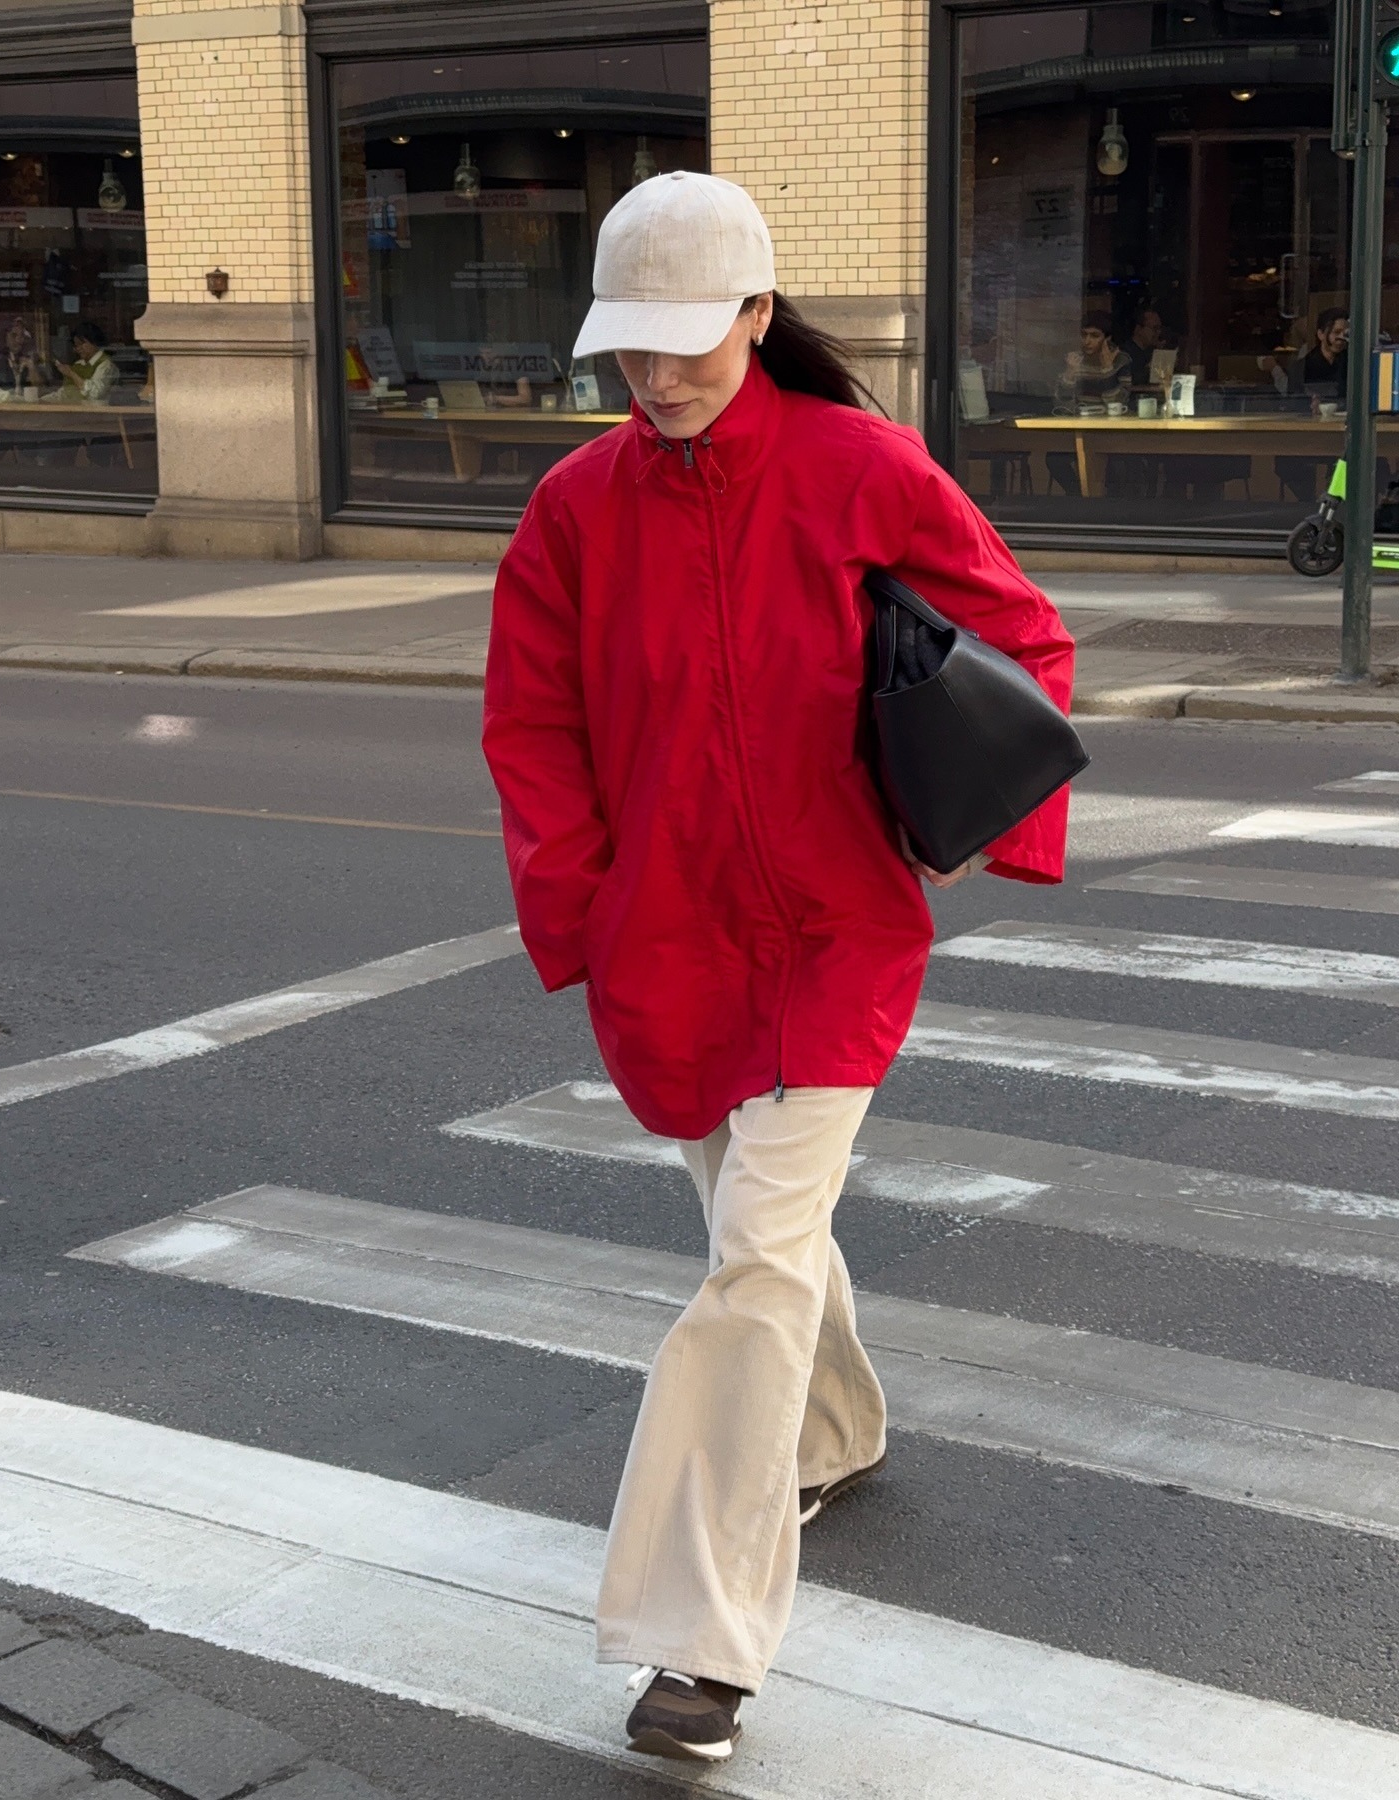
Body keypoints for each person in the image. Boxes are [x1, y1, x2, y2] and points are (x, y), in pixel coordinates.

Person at [482, 171, 1074, 1766]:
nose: (658, 376)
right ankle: (834, 1427)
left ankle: (701, 1646)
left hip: (832, 936)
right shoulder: (574, 509)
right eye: (631, 348)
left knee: (750, 1258)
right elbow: (534, 733)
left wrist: (965, 834)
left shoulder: (861, 467)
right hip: (663, 942)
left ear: (756, 315)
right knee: (757, 1229)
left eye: (690, 338)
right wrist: (590, 911)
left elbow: (1020, 636)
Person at [1053, 313, 1132, 414]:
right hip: (1079, 422)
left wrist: (1107, 370)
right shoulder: (1072, 360)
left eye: (1095, 336)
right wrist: (1069, 376)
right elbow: (1060, 407)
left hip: (1110, 423)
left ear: (1107, 339)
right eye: (1084, 335)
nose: (1087, 341)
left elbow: (1119, 405)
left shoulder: (1121, 360)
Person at [47, 320, 117, 405]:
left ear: (94, 342)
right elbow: (65, 393)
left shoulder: (106, 365)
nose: (78, 349)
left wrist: (72, 374)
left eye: (81, 344)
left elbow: (95, 394)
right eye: (76, 345)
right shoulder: (78, 365)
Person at [1117, 306, 1164, 385]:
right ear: (1138, 329)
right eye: (1154, 328)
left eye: (1160, 328)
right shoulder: (1123, 353)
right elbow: (1126, 381)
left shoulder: (1152, 351)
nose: (1158, 332)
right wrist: (1149, 368)